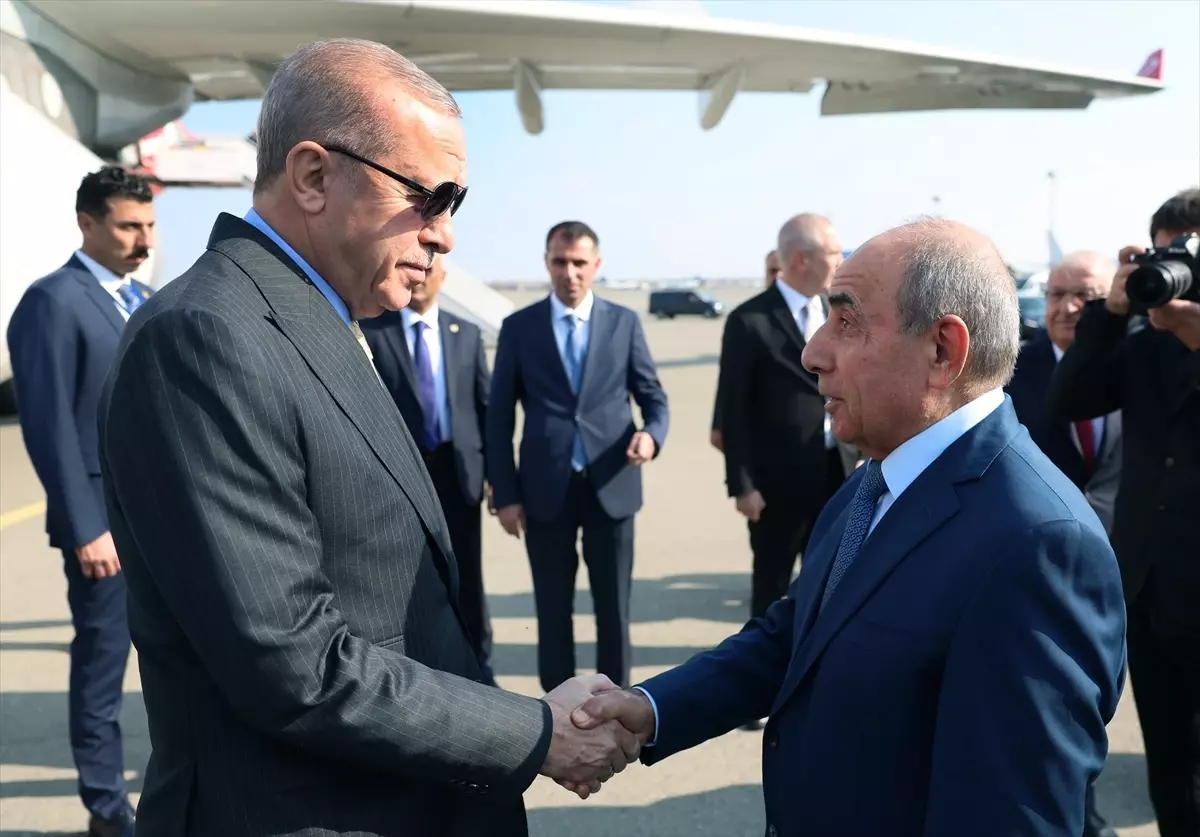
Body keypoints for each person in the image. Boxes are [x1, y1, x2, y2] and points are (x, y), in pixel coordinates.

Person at [97, 39, 637, 837]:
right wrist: (534, 732)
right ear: (313, 176)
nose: (444, 235)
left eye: (456, 205)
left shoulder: (311, 319)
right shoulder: (204, 338)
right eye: (428, 197)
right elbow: (295, 663)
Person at [571, 218, 1127, 836]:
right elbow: (797, 636)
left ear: (942, 351)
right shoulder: (876, 478)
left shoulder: (1040, 544)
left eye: (847, 322)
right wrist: (651, 708)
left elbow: (1010, 818)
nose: (812, 352)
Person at [6, 165, 156, 837]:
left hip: (161, 522)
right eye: (128, 227)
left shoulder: (142, 297)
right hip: (104, 529)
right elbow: (49, 427)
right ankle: (106, 806)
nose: (142, 240)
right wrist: (84, 527)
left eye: (148, 226)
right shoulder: (52, 301)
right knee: (102, 669)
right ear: (87, 223)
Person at [1048, 188, 1200, 837]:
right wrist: (1110, 314)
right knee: (1171, 771)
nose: (1179, 270)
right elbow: (1067, 398)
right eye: (1169, 255)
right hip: (1150, 589)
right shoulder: (1141, 340)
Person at [487, 221, 669, 694]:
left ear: (597, 265)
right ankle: (558, 706)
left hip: (613, 482)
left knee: (614, 607)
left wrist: (651, 436)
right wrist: (505, 494)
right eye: (560, 262)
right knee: (552, 608)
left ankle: (617, 702)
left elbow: (653, 399)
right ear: (547, 263)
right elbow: (498, 419)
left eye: (579, 263)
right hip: (544, 490)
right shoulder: (519, 328)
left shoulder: (623, 323)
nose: (569, 273)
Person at [1006, 250, 1123, 837]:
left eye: (1085, 296)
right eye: (1056, 295)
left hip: (1130, 571)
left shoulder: (1137, 359)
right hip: (1038, 575)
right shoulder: (1008, 371)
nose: (1067, 307)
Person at [716, 215, 857, 679]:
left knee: (834, 583)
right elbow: (733, 410)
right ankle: (757, 681)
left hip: (838, 475)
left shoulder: (837, 314)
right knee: (771, 589)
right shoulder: (749, 320)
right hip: (776, 487)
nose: (840, 261)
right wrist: (742, 485)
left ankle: (822, 676)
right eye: (833, 253)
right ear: (801, 259)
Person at [359, 254, 495, 683]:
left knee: (467, 574)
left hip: (460, 474)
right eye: (415, 272)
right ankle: (422, 668)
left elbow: (485, 408)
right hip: (403, 478)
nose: (420, 279)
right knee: (410, 577)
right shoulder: (374, 332)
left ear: (443, 277)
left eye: (429, 272)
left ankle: (480, 666)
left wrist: (495, 476)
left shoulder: (465, 334)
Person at [710, 248, 783, 452]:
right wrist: (719, 424)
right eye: (772, 271)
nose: (777, 277)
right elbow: (731, 381)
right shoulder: (749, 319)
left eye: (782, 271)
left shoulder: (815, 313)